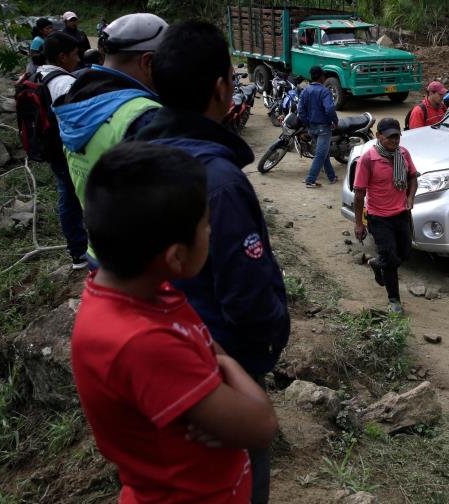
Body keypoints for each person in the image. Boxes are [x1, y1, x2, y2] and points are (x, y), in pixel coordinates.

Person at [134, 21, 290, 503]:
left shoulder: (136, 151)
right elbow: (247, 294)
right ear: (222, 88)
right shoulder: (218, 181)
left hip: (164, 358)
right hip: (220, 365)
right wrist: (265, 344)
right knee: (236, 479)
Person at [72, 141, 278, 503]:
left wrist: (214, 381)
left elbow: (199, 344)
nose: (211, 233)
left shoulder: (146, 290)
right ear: (176, 256)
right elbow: (260, 425)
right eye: (205, 226)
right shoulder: (141, 343)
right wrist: (226, 365)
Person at [54, 12, 166, 267]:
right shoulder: (143, 116)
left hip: (99, 250)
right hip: (141, 263)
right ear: (148, 62)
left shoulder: (76, 98)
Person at [353, 118, 418, 314]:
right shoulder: (368, 159)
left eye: (397, 136)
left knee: (404, 254)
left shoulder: (403, 154)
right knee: (390, 260)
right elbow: (359, 193)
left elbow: (413, 177)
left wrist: (410, 197)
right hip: (379, 217)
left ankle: (376, 263)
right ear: (379, 136)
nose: (394, 140)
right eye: (390, 137)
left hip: (402, 214)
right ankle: (394, 300)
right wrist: (359, 224)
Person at [37, 32, 88, 269]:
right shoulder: (63, 83)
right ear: (62, 56)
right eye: (75, 54)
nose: (78, 59)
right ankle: (80, 251)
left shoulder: (39, 73)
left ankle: (77, 249)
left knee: (67, 196)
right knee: (76, 197)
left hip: (51, 148)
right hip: (66, 149)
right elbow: (79, 119)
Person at [296, 65, 338, 188]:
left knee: (323, 152)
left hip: (312, 128)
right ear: (320, 77)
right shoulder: (324, 91)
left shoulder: (305, 91)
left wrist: (307, 123)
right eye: (323, 75)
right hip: (324, 128)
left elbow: (301, 110)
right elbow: (330, 109)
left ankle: (331, 176)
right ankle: (310, 180)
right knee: (320, 154)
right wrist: (335, 121)